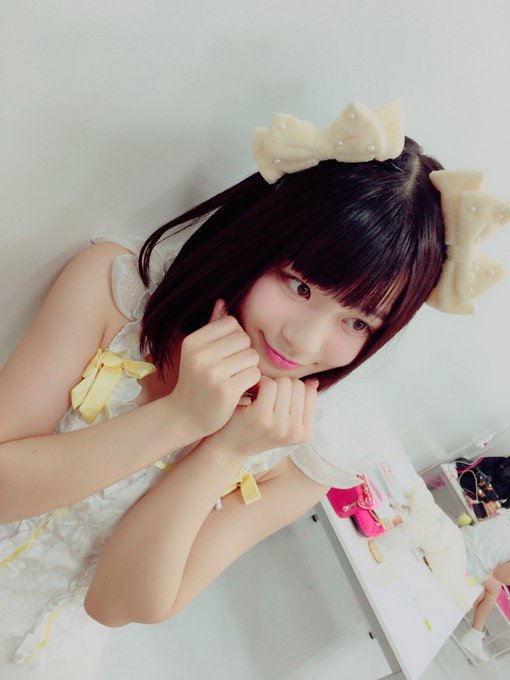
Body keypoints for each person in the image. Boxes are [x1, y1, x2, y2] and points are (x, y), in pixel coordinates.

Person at [0, 98, 507, 678]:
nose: (304, 341)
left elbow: (115, 605)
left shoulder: (303, 457)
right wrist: (179, 417)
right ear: (256, 239)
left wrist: (222, 450)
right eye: (300, 285)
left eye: (357, 322)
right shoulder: (113, 293)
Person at [459, 510, 510, 662]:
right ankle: (474, 634)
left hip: (461, 539)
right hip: (467, 566)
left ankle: (476, 632)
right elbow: (501, 574)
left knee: (493, 588)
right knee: (478, 596)